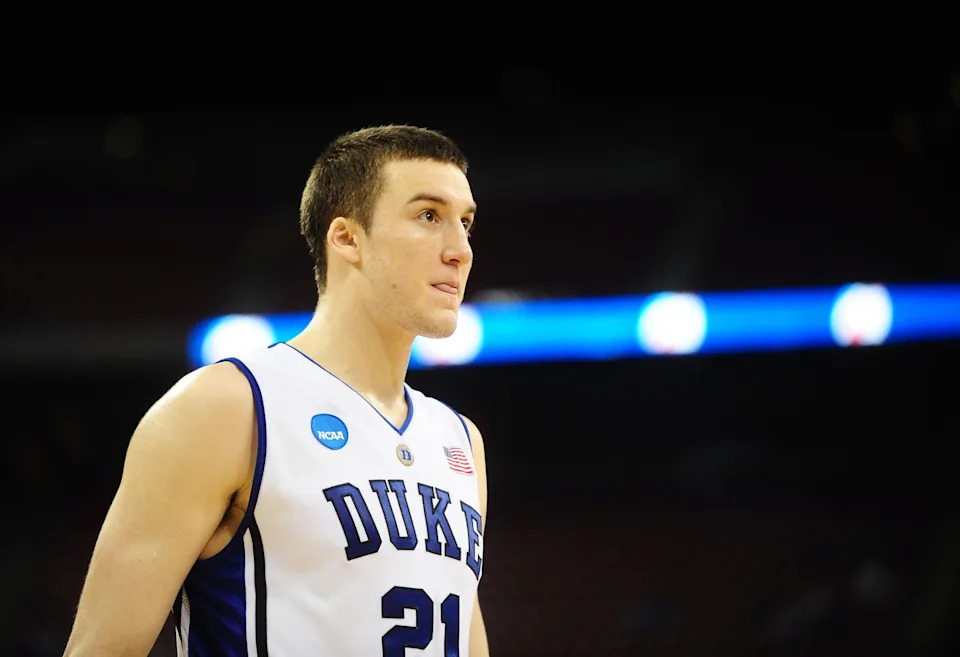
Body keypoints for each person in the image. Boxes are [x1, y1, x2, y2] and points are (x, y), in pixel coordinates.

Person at [64, 124, 490, 656]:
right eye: (429, 216)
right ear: (347, 238)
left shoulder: (459, 441)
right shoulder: (227, 406)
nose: (460, 250)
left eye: (466, 223)